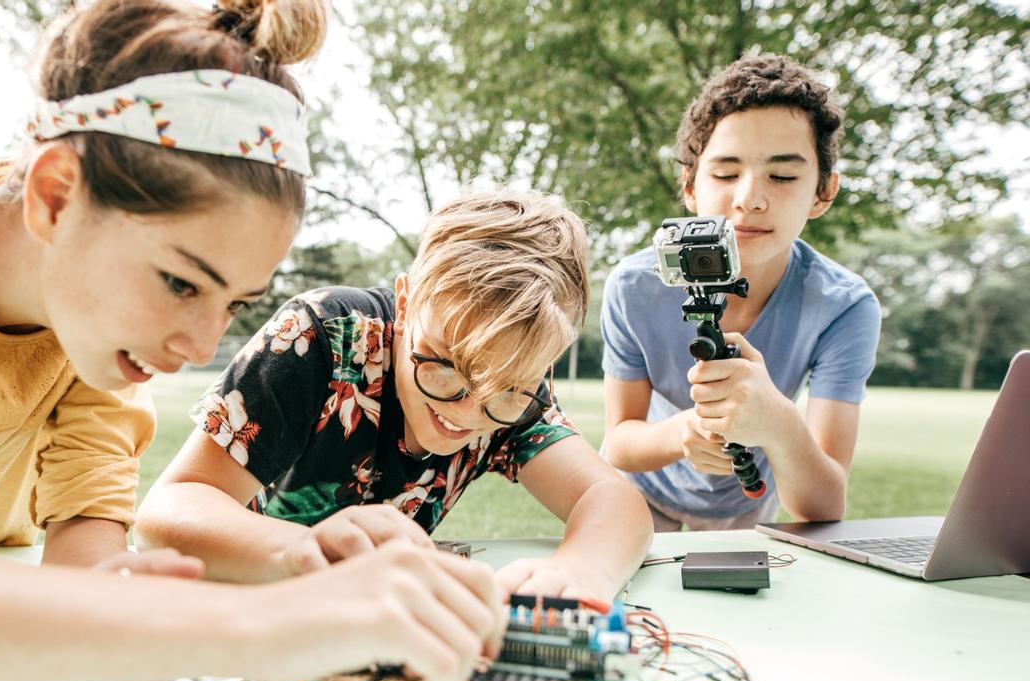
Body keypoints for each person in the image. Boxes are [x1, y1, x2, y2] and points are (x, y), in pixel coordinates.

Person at [0, 0, 503, 681]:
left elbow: (84, 575)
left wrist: (108, 654)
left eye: (233, 303)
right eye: (181, 282)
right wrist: (252, 627)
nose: (198, 346)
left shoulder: (98, 351)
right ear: (56, 196)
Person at [137, 187, 654, 601]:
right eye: (446, 367)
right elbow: (167, 511)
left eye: (508, 390)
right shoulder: (321, 335)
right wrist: (308, 550)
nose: (468, 413)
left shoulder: (514, 394)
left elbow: (612, 499)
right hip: (242, 611)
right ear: (405, 304)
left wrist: (582, 570)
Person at [600, 53, 882, 531]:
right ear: (690, 187)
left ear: (823, 192)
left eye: (784, 175)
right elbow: (617, 444)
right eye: (726, 174)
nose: (749, 198)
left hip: (748, 506)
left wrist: (778, 421)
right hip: (641, 496)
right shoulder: (634, 287)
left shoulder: (844, 306)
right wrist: (683, 432)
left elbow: (822, 506)